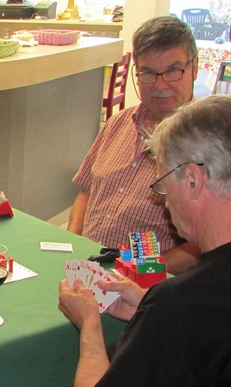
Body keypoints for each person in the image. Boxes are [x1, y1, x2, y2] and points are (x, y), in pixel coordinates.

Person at [0, 95, 231, 387]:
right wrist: (145, 306)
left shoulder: (178, 303)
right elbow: (208, 335)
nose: (165, 203)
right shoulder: (189, 301)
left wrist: (90, 325)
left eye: (163, 186)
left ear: (193, 179)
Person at [67, 16, 201, 275]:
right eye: (148, 73)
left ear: (194, 68)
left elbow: (206, 245)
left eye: (172, 71)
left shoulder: (209, 143)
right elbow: (86, 193)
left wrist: (136, 272)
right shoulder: (117, 123)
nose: (160, 86)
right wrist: (72, 243)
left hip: (149, 283)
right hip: (87, 268)